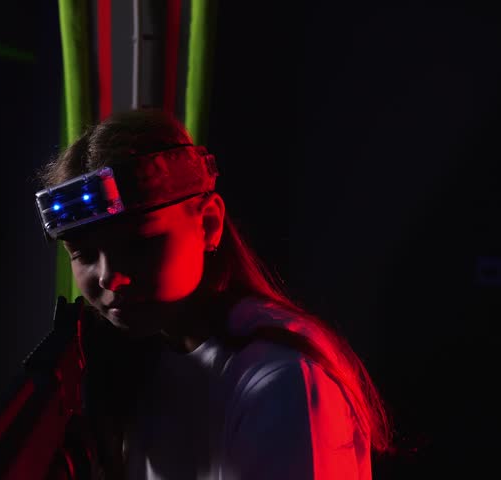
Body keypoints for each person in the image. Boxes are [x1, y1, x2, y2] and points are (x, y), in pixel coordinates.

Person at [35, 109, 392, 479]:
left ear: (208, 224)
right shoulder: (138, 364)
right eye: (84, 254)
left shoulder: (284, 382)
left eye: (138, 245)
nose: (110, 277)